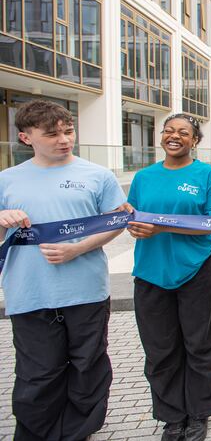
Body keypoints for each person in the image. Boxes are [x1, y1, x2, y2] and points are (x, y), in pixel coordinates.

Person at [0, 100, 127, 440]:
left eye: (68, 131)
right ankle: (37, 432)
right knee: (37, 373)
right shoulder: (6, 181)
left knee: (89, 366)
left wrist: (79, 248)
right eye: (52, 134)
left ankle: (78, 431)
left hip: (86, 290)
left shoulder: (98, 175)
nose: (64, 140)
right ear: (27, 137)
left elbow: (117, 221)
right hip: (29, 293)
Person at [126, 114, 211, 441]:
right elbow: (135, 218)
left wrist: (162, 226)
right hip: (151, 273)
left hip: (196, 270)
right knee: (160, 349)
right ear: (161, 137)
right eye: (169, 131)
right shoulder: (143, 178)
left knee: (202, 344)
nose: (174, 136)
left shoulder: (208, 175)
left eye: (183, 133)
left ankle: (199, 413)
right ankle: (172, 416)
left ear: (195, 141)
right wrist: (133, 227)